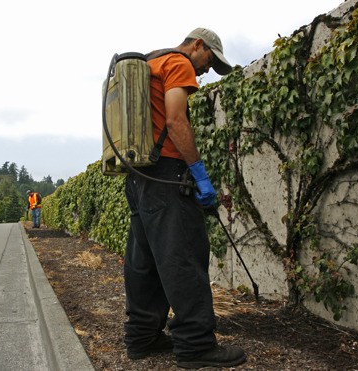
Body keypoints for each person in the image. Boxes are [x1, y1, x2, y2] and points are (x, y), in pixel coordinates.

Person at [123, 28, 247, 369]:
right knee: (184, 254)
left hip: (138, 177)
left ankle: (142, 337)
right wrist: (199, 172)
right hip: (166, 175)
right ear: (198, 45)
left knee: (143, 259)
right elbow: (176, 120)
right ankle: (195, 345)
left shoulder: (151, 63)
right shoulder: (179, 64)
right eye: (210, 60)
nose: (207, 70)